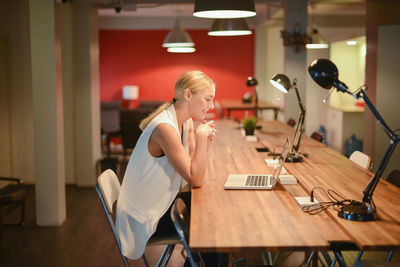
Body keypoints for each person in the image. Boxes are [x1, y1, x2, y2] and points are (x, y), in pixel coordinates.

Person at [116, 70, 216, 261]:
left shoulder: (184, 123)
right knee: (208, 225)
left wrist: (202, 139)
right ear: (188, 95)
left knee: (211, 210)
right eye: (207, 99)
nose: (211, 106)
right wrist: (202, 137)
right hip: (143, 218)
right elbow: (195, 178)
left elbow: (194, 171)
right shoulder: (165, 128)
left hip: (157, 205)